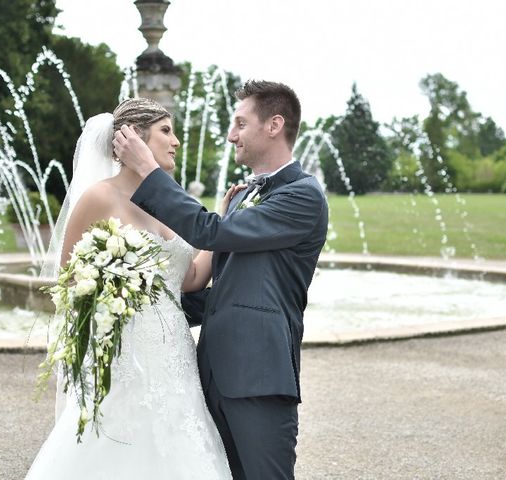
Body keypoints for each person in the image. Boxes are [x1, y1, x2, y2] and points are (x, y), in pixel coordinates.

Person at [114, 80, 329, 480]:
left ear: (274, 125)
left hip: (258, 380)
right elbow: (228, 291)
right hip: (211, 374)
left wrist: (146, 169)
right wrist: (142, 308)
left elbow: (207, 233)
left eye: (240, 124)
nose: (231, 135)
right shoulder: (246, 196)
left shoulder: (303, 196)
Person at [25, 98, 234, 479]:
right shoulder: (99, 198)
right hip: (124, 355)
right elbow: (68, 281)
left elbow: (190, 279)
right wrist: (112, 294)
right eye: (166, 131)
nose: (176, 142)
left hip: (174, 353)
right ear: (133, 138)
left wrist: (222, 221)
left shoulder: (172, 200)